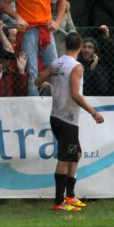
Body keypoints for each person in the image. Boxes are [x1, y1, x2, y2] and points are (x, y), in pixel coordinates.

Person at [34, 32, 104, 211]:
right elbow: (75, 94)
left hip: (56, 116)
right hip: (68, 118)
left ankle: (70, 196)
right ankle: (59, 201)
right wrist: (93, 112)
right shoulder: (76, 66)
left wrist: (51, 85)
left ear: (65, 45)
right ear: (81, 47)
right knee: (65, 158)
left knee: (76, 154)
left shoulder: (56, 63)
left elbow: (37, 81)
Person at [1, 0, 67, 96]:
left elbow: (62, 1)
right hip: (27, 29)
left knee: (54, 68)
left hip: (46, 28)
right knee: (32, 70)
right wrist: (18, 17)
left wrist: (57, 21)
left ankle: (51, 103)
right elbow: (4, 5)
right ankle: (33, 104)